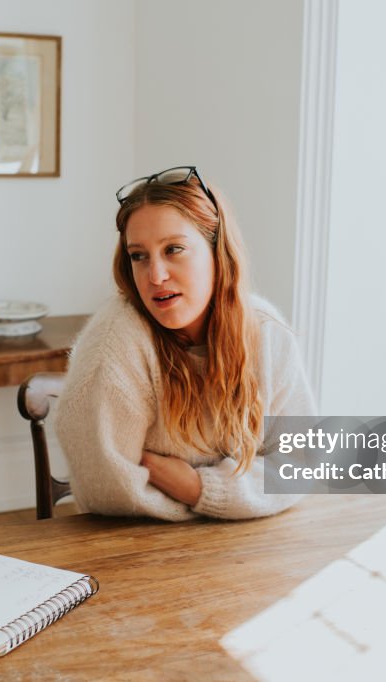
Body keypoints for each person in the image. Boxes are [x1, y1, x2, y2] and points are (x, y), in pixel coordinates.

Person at [55, 166, 315, 521]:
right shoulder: (115, 344)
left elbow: (300, 463)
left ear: (216, 251)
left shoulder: (265, 332)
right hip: (136, 548)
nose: (156, 276)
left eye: (174, 249)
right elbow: (108, 492)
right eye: (138, 256)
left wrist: (198, 488)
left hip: (246, 547)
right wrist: (245, 494)